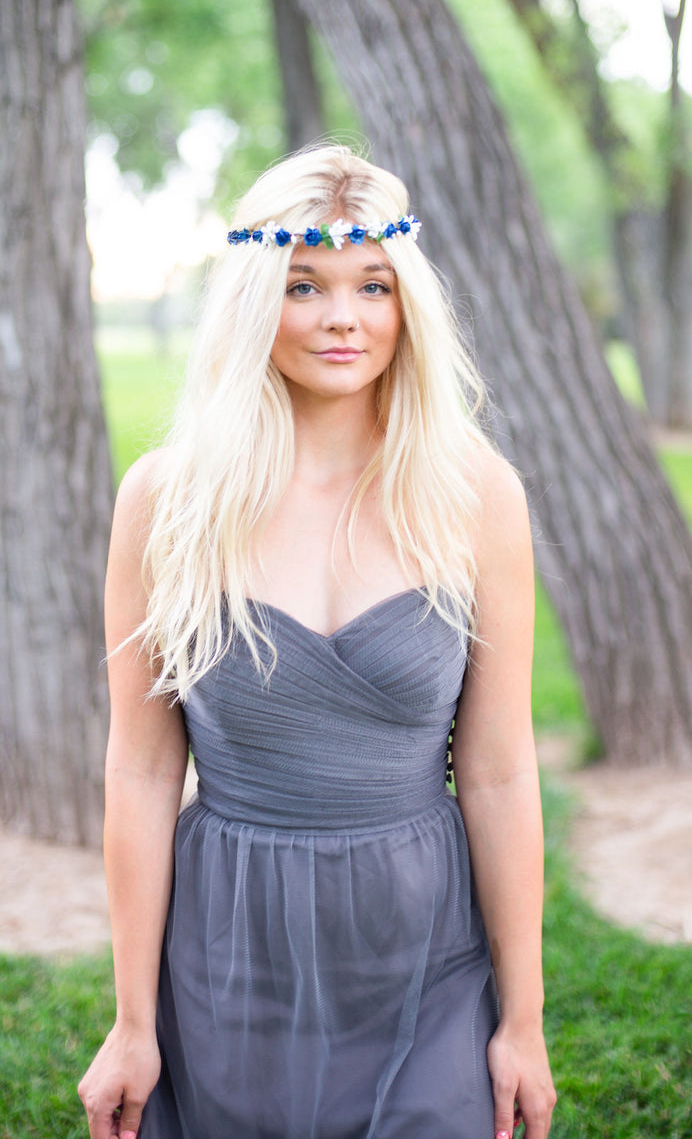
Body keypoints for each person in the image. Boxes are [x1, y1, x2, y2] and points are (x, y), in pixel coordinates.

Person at [78, 145, 556, 1139]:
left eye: (370, 284)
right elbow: (138, 766)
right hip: (227, 943)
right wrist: (131, 1019)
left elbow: (501, 770)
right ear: (257, 298)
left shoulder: (474, 495)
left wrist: (522, 1017)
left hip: (423, 942)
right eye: (304, 284)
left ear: (404, 302)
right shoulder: (166, 500)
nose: (343, 315)